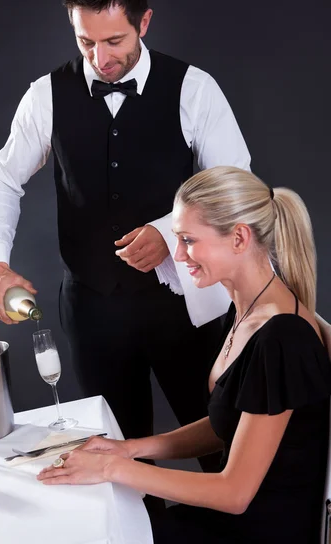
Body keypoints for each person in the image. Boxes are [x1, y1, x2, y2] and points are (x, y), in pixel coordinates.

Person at [0, 0, 250, 460]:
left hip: (183, 306)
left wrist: (171, 233)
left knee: (221, 442)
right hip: (92, 310)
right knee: (114, 458)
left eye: (115, 41)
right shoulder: (45, 96)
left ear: (144, 23)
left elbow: (238, 185)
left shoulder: (194, 87)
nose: (100, 58)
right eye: (86, 42)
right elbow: (3, 179)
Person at [37, 166, 331, 544]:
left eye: (188, 240)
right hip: (235, 521)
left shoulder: (282, 337)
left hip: (261, 530)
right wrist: (130, 449)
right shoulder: (244, 311)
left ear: (239, 238)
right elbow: (230, 422)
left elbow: (234, 494)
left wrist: (111, 467)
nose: (177, 255)